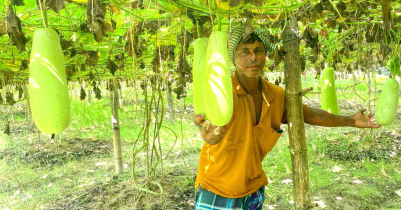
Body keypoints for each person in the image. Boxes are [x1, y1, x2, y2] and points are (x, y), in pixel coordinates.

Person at [193, 26, 381, 210]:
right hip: (217, 188)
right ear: (232, 58)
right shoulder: (220, 93)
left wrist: (351, 120)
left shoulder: (275, 95)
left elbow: (307, 114)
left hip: (254, 187)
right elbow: (208, 129)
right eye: (244, 51)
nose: (253, 57)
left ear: (266, 55)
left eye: (258, 50)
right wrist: (208, 136)